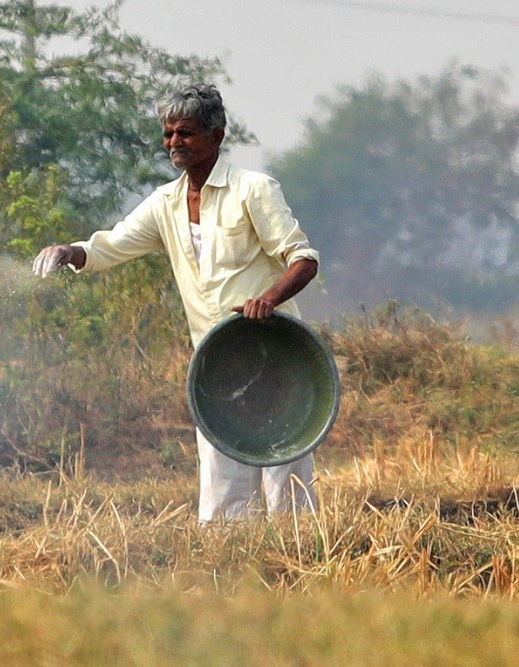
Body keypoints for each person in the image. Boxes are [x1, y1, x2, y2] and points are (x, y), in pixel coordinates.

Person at [32, 83, 320, 523]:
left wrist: (267, 300)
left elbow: (302, 260)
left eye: (185, 133)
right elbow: (112, 245)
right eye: (168, 134)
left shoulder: (253, 189)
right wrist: (69, 252)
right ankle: (227, 563)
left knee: (287, 479)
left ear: (216, 136)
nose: (173, 143)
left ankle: (298, 559)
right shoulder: (166, 203)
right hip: (216, 360)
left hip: (275, 355)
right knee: (223, 485)